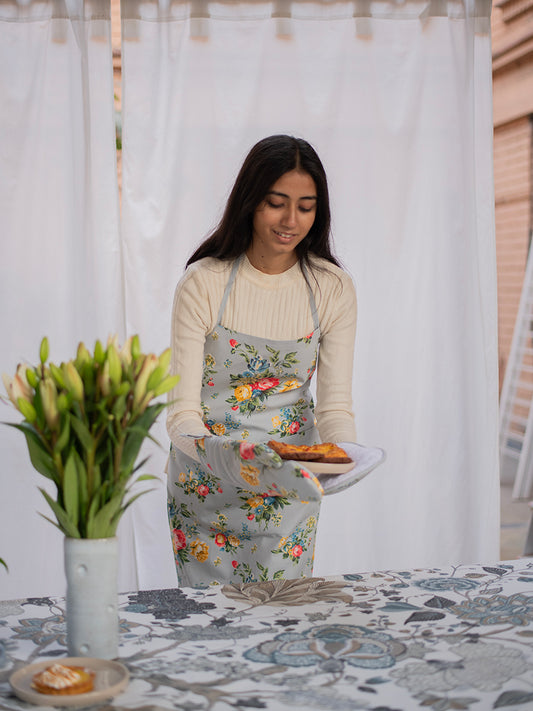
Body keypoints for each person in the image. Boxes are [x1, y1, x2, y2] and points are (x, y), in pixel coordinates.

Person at [166, 135, 358, 586]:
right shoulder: (203, 282)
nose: (292, 220)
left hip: (286, 493)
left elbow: (334, 409)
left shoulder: (332, 288)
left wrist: (344, 456)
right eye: (277, 203)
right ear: (251, 202)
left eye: (306, 206)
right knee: (209, 631)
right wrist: (232, 456)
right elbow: (181, 414)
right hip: (206, 487)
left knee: (278, 627)